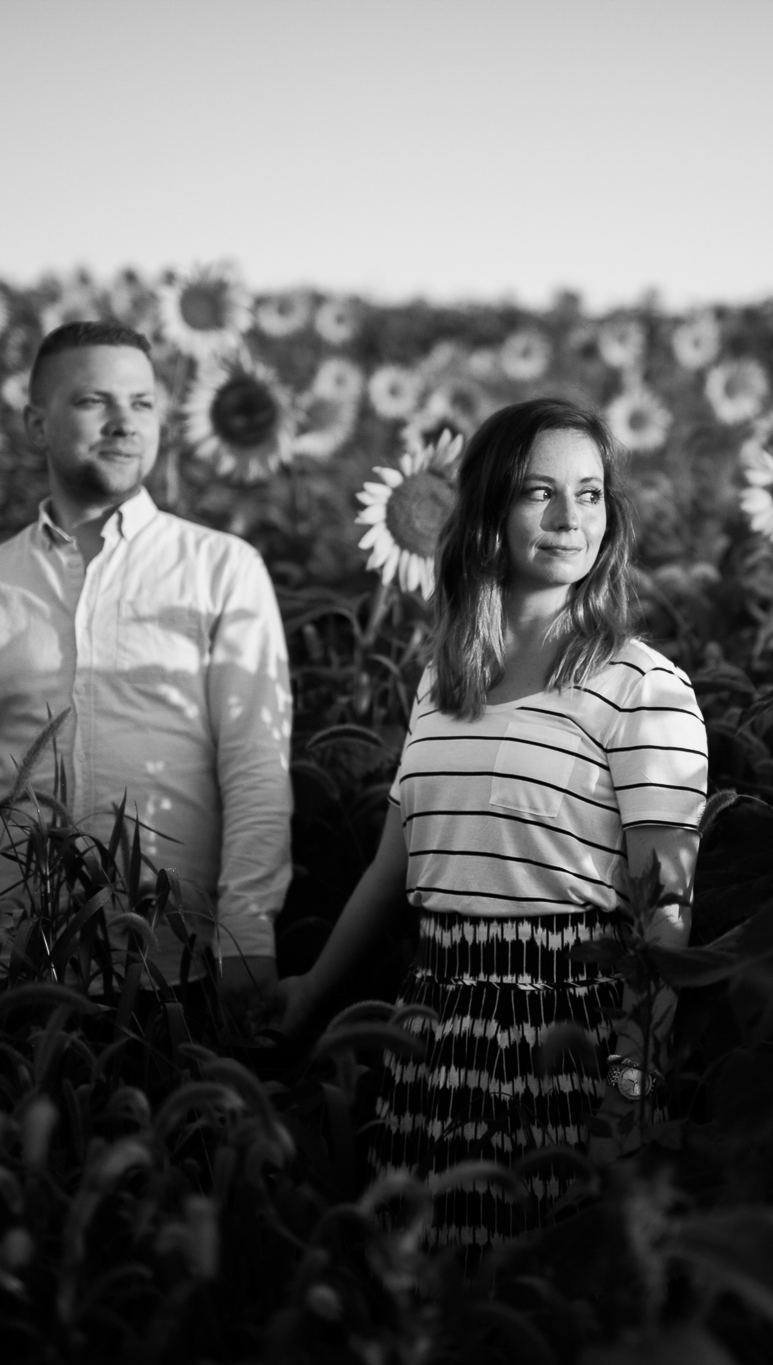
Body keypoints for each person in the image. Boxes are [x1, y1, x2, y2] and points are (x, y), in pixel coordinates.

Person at [277, 398, 709, 1250]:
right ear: (487, 512)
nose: (566, 519)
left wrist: (630, 1079)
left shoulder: (642, 685)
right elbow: (390, 873)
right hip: (435, 1029)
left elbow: (666, 910)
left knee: (535, 1285)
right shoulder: (443, 681)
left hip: (566, 1034)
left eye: (588, 494)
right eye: (537, 492)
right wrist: (310, 996)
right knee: (419, 1292)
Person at [0, 320, 292, 1021]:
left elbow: (255, 765)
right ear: (35, 423)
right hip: (9, 967)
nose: (124, 422)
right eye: (94, 401)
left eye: (142, 403)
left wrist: (248, 929)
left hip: (177, 967)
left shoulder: (221, 570)